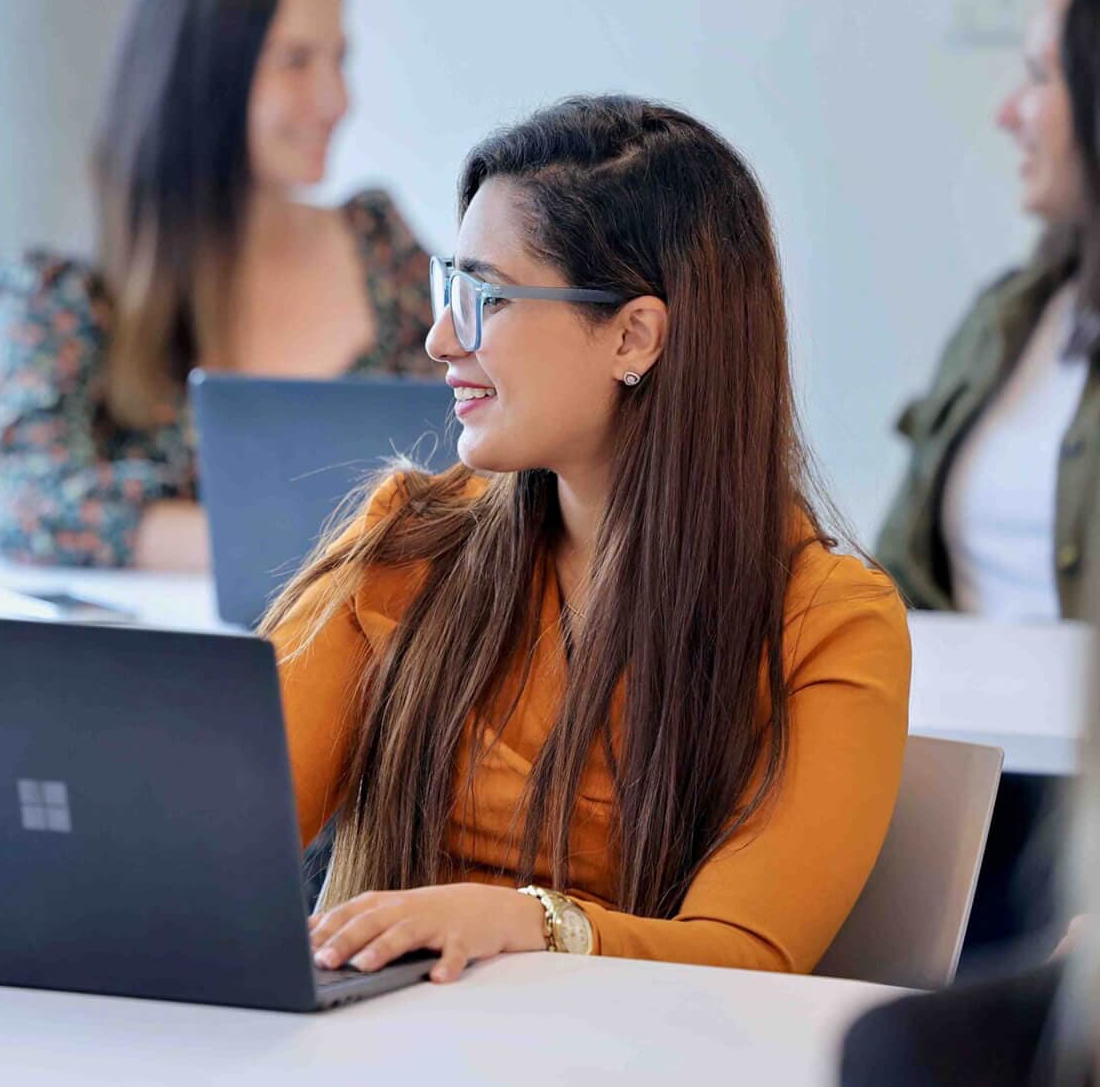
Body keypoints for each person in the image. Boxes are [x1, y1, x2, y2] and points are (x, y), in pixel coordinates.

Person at [267, 96, 910, 983]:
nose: (440, 336)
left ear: (634, 335)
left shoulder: (828, 621)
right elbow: (217, 831)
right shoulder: (406, 545)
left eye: (484, 296)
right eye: (447, 285)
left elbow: (748, 953)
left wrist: (524, 920)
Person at [0, 0, 437, 571]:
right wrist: (309, 549)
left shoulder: (381, 249)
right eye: (296, 61)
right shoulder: (61, 300)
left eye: (340, 59)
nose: (337, 99)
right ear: (200, 76)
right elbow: (27, 507)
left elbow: (484, 467)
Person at [876, 0, 1100, 963]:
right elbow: (892, 579)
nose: (1010, 113)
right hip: (963, 798)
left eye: (1038, 76)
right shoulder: (1009, 316)